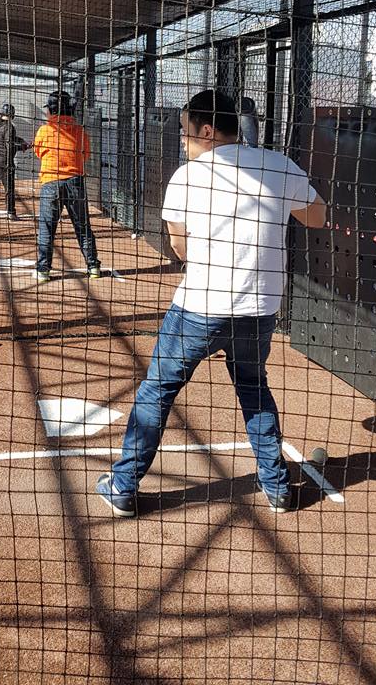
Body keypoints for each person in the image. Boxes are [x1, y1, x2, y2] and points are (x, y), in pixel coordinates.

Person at [96, 89, 326, 517]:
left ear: (206, 130)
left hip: (200, 308)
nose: (183, 141)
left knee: (158, 390)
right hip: (259, 310)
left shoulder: (187, 176)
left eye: (186, 133)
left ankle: (123, 485)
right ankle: (277, 486)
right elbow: (317, 216)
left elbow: (179, 247)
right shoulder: (276, 165)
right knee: (253, 388)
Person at [33, 90, 100, 283]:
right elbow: (85, 154)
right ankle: (93, 266)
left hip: (50, 183)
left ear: (52, 110)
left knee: (47, 228)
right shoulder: (79, 131)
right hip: (75, 182)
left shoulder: (45, 130)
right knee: (82, 226)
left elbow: (38, 152)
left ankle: (43, 270)